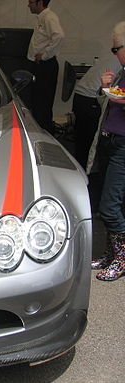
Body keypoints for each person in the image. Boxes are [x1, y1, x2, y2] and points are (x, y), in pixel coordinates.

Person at [87, 21, 125, 281]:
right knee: (108, 203)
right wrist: (109, 87)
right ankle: (112, 254)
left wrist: (107, 89)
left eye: (116, 48)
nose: (114, 53)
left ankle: (121, 259)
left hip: (122, 145)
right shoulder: (123, 69)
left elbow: (121, 98)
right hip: (112, 140)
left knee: (110, 206)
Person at [27, 0, 64, 133]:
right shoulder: (40, 18)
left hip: (45, 65)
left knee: (43, 103)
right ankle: (37, 130)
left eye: (31, 2)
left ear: (40, 3)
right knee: (36, 102)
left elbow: (59, 36)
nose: (28, 5)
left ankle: (45, 132)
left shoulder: (49, 17)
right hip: (37, 65)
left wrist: (44, 55)